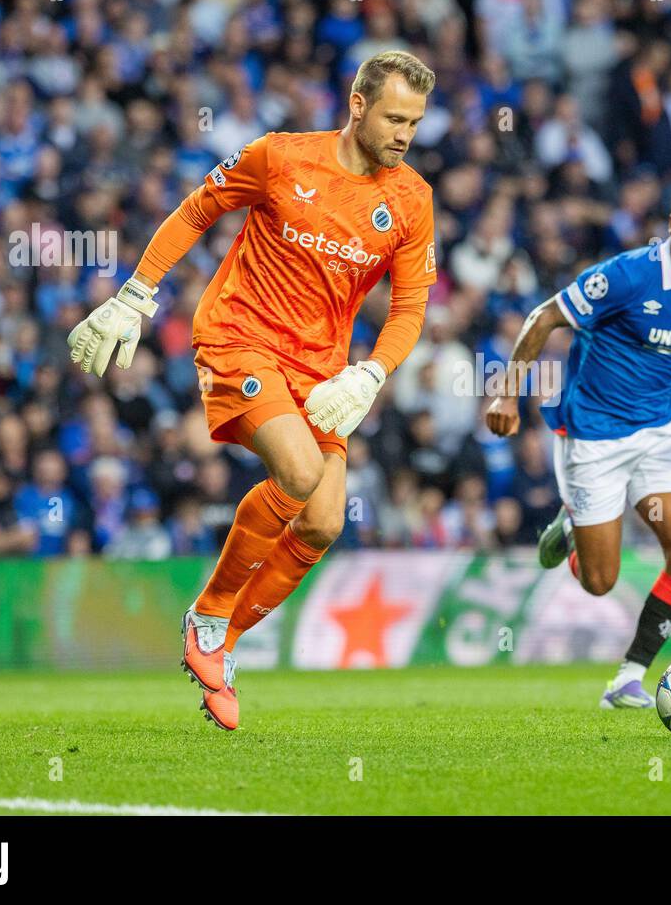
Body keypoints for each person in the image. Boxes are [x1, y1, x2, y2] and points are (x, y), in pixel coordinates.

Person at [66, 51, 438, 730]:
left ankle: (222, 642)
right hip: (241, 336)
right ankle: (207, 616)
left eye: (414, 122)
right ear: (357, 105)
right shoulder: (280, 157)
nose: (404, 134)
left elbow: (410, 307)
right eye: (393, 117)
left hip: (322, 369)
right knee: (297, 472)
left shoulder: (411, 198)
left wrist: (371, 372)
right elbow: (197, 209)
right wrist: (136, 294)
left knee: (324, 520)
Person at [485, 179, 671, 708]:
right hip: (593, 436)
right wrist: (505, 397)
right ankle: (573, 526)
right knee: (599, 581)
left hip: (659, 431)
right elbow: (544, 318)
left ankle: (628, 677)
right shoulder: (627, 275)